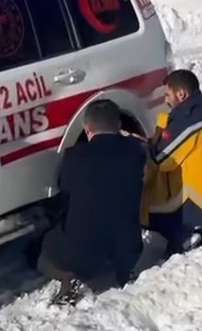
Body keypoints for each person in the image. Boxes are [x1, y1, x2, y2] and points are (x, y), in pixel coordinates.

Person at [38, 98, 146, 306]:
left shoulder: (75, 156)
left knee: (41, 252)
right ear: (119, 126)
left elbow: (65, 189)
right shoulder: (135, 152)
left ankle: (72, 277)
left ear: (87, 128)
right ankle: (123, 271)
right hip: (128, 249)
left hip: (81, 256)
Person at [146, 69, 202, 256]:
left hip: (199, 207)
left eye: (168, 95)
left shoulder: (189, 121)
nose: (166, 101)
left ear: (181, 94)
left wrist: (149, 141)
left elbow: (161, 159)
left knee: (147, 212)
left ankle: (187, 234)